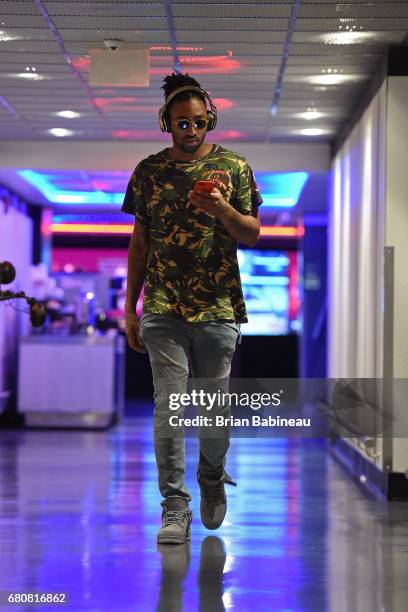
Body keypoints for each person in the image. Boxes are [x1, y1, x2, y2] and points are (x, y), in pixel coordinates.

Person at [122, 71, 263, 544]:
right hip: (162, 306)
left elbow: (251, 232)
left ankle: (211, 476)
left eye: (198, 122)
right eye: (181, 123)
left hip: (218, 306)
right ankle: (174, 506)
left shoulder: (235, 167)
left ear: (211, 120)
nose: (190, 131)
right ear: (166, 123)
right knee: (170, 406)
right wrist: (129, 306)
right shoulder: (149, 172)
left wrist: (222, 208)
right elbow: (140, 241)